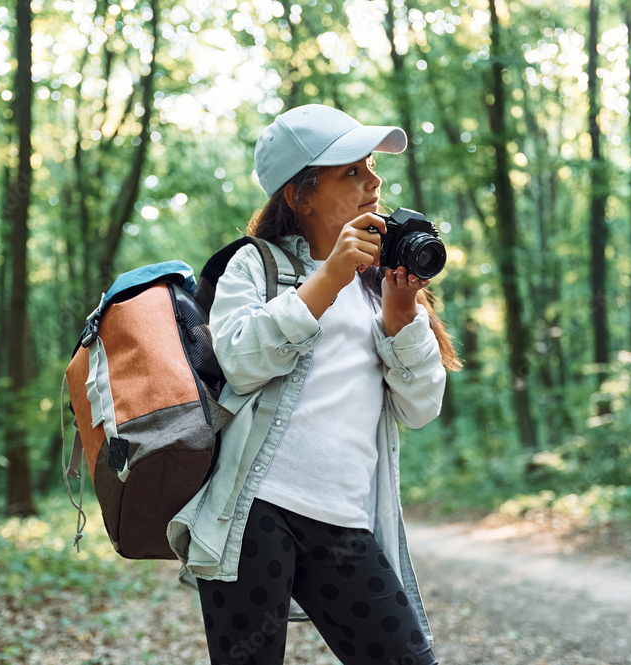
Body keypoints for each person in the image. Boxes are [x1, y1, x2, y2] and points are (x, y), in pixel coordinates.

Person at [168, 104, 459, 665]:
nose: (373, 182)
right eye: (351, 171)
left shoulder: (385, 286)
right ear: (300, 196)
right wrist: (327, 279)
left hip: (346, 520)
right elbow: (240, 359)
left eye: (371, 167)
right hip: (255, 512)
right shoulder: (253, 266)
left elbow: (421, 408)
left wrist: (402, 313)